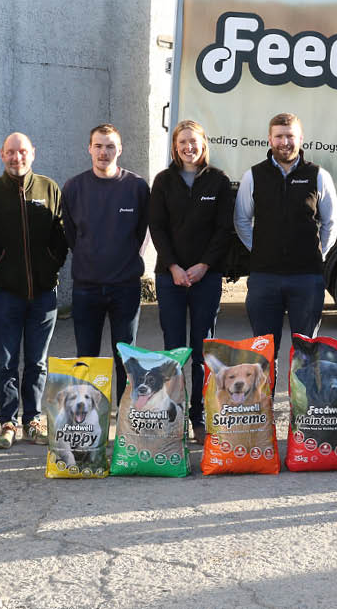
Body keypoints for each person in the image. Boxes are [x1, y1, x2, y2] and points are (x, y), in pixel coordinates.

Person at [0, 132, 67, 450]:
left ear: (32, 153)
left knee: (38, 362)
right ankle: (8, 422)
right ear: (2, 154)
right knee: (7, 362)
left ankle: (33, 421)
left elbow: (61, 233)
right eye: (11, 152)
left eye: (22, 151)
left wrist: (51, 263)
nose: (17, 157)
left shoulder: (49, 188)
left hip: (43, 293)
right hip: (4, 292)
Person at [234, 113, 337, 377]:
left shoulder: (318, 175)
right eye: (279, 136)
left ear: (300, 139)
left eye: (290, 136)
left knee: (306, 353)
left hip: (307, 278)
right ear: (270, 139)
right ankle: (264, 403)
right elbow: (241, 220)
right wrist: (260, 250)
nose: (285, 142)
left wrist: (316, 254)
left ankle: (301, 405)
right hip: (264, 277)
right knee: (263, 352)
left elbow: (331, 223)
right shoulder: (253, 176)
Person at [149, 120, 233, 444]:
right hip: (170, 277)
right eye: (182, 142)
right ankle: (173, 418)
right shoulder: (163, 181)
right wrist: (173, 266)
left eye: (193, 141)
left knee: (201, 352)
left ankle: (198, 418)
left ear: (203, 144)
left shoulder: (219, 181)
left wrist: (203, 266)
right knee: (174, 352)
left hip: (206, 278)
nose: (188, 147)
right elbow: (157, 227)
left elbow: (224, 229)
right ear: (175, 146)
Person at [62, 124, 150, 401]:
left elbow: (142, 233)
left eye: (110, 146)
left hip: (125, 286)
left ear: (119, 150)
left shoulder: (136, 187)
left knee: (126, 357)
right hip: (86, 287)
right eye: (98, 146)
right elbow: (71, 235)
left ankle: (124, 415)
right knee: (86, 357)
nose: (104, 152)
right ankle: (90, 418)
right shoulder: (74, 187)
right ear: (89, 149)